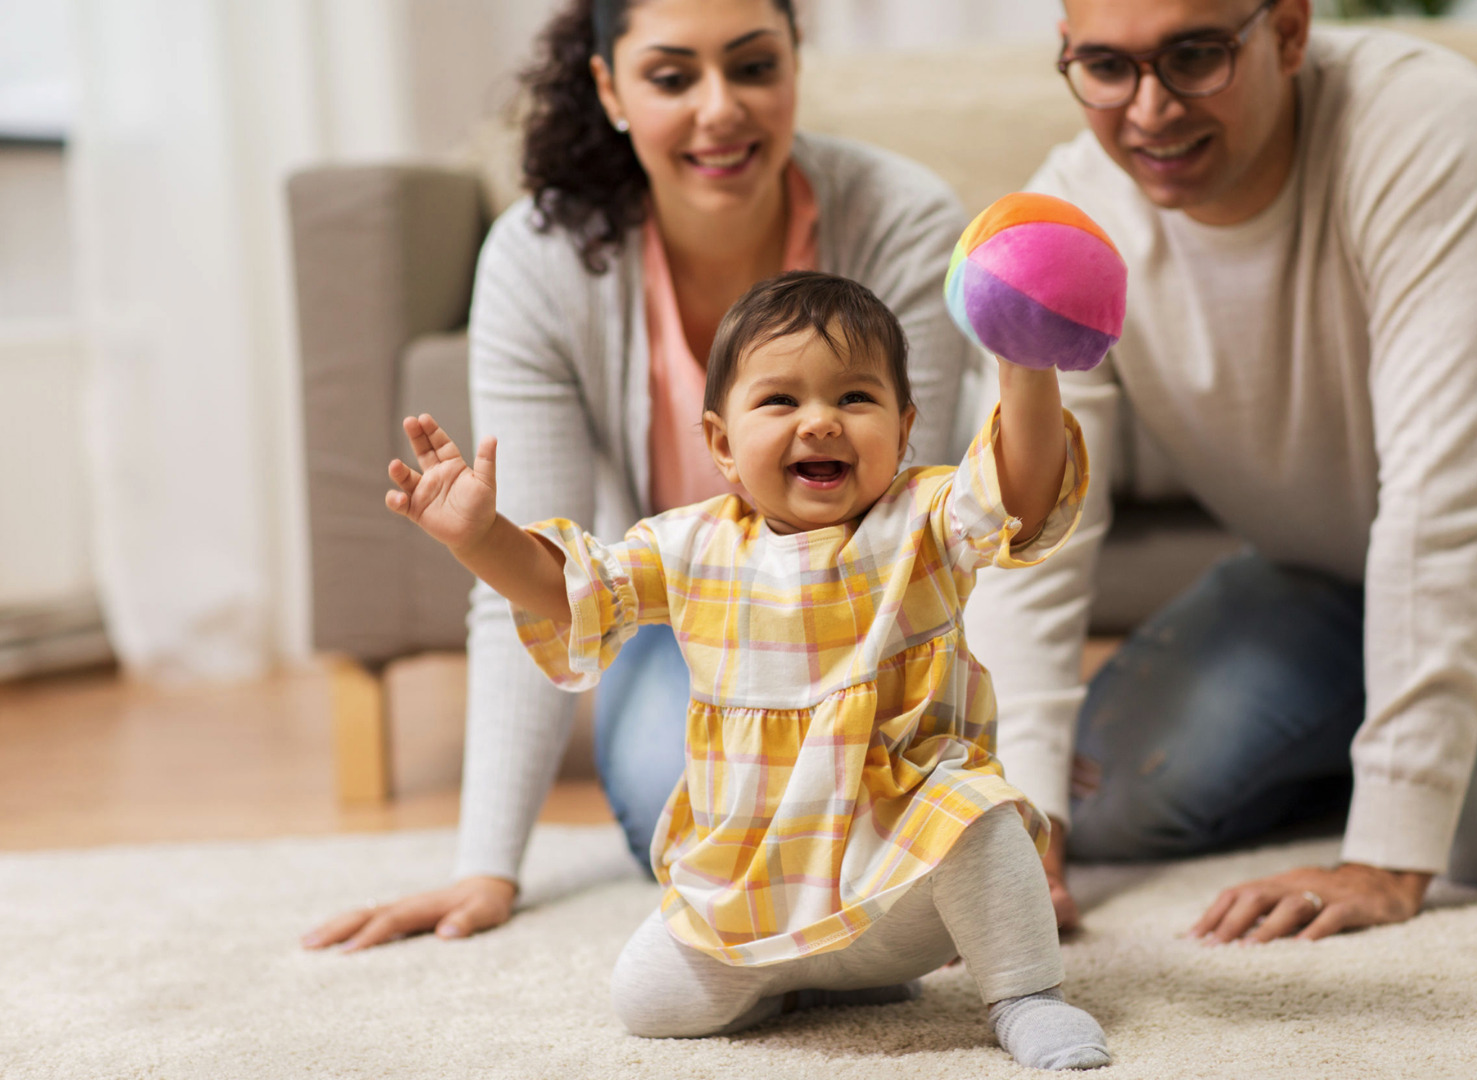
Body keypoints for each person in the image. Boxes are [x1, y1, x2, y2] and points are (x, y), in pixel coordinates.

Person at [302, 0, 975, 952]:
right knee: (691, 814)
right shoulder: (540, 261)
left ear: (794, 64)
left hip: (883, 627)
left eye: (752, 67)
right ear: (610, 87)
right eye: (671, 77)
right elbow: (531, 578)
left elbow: (919, 526)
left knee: (931, 819)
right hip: (698, 620)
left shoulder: (900, 216)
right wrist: (484, 868)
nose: (720, 110)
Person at [964, 0, 1477, 939]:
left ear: (1286, 31)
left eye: (1193, 55)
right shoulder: (1068, 222)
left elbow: (1446, 499)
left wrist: (1387, 853)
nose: (1149, 110)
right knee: (1104, 798)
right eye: (1106, 67)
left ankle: (1444, 727)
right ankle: (1403, 710)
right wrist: (1020, 821)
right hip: (1319, 577)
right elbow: (1034, 531)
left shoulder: (1421, 122)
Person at [379, 272, 1109, 1070]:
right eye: (780, 402)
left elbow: (1021, 496)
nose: (821, 422)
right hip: (750, 879)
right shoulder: (687, 545)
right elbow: (568, 593)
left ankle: (1026, 996)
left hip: (902, 863)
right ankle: (812, 980)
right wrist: (480, 538)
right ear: (721, 443)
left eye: (855, 399)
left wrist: (1025, 366)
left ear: (903, 432)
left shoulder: (923, 519)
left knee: (983, 817)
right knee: (645, 1004)